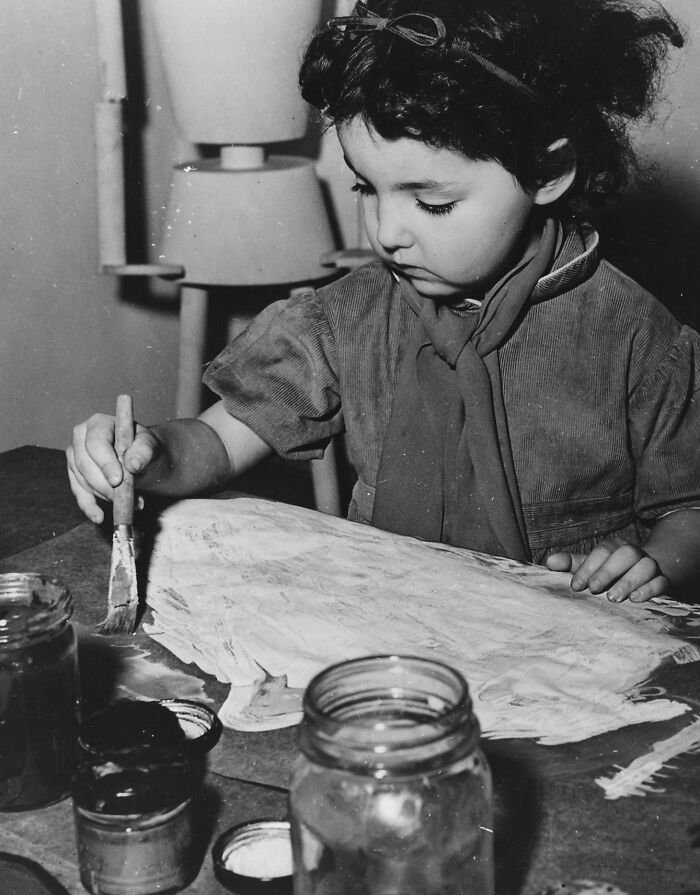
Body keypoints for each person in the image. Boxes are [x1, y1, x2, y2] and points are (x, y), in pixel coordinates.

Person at [68, 0, 700, 604]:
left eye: (433, 203)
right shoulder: (348, 318)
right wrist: (147, 454)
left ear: (547, 172)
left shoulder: (640, 337)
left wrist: (656, 563)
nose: (386, 232)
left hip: (573, 647)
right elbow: (219, 441)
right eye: (367, 188)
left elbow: (689, 510)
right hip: (394, 627)